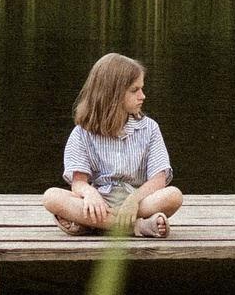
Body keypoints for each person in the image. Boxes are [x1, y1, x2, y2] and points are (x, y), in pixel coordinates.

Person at [45, 52, 185, 238]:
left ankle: (89, 225)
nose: (143, 96)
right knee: (51, 197)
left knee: (174, 195)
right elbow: (78, 182)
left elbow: (158, 181)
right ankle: (136, 227)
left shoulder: (149, 128)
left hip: (138, 200)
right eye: (135, 90)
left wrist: (133, 201)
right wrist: (90, 194)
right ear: (113, 93)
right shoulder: (82, 132)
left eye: (141, 89)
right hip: (101, 201)